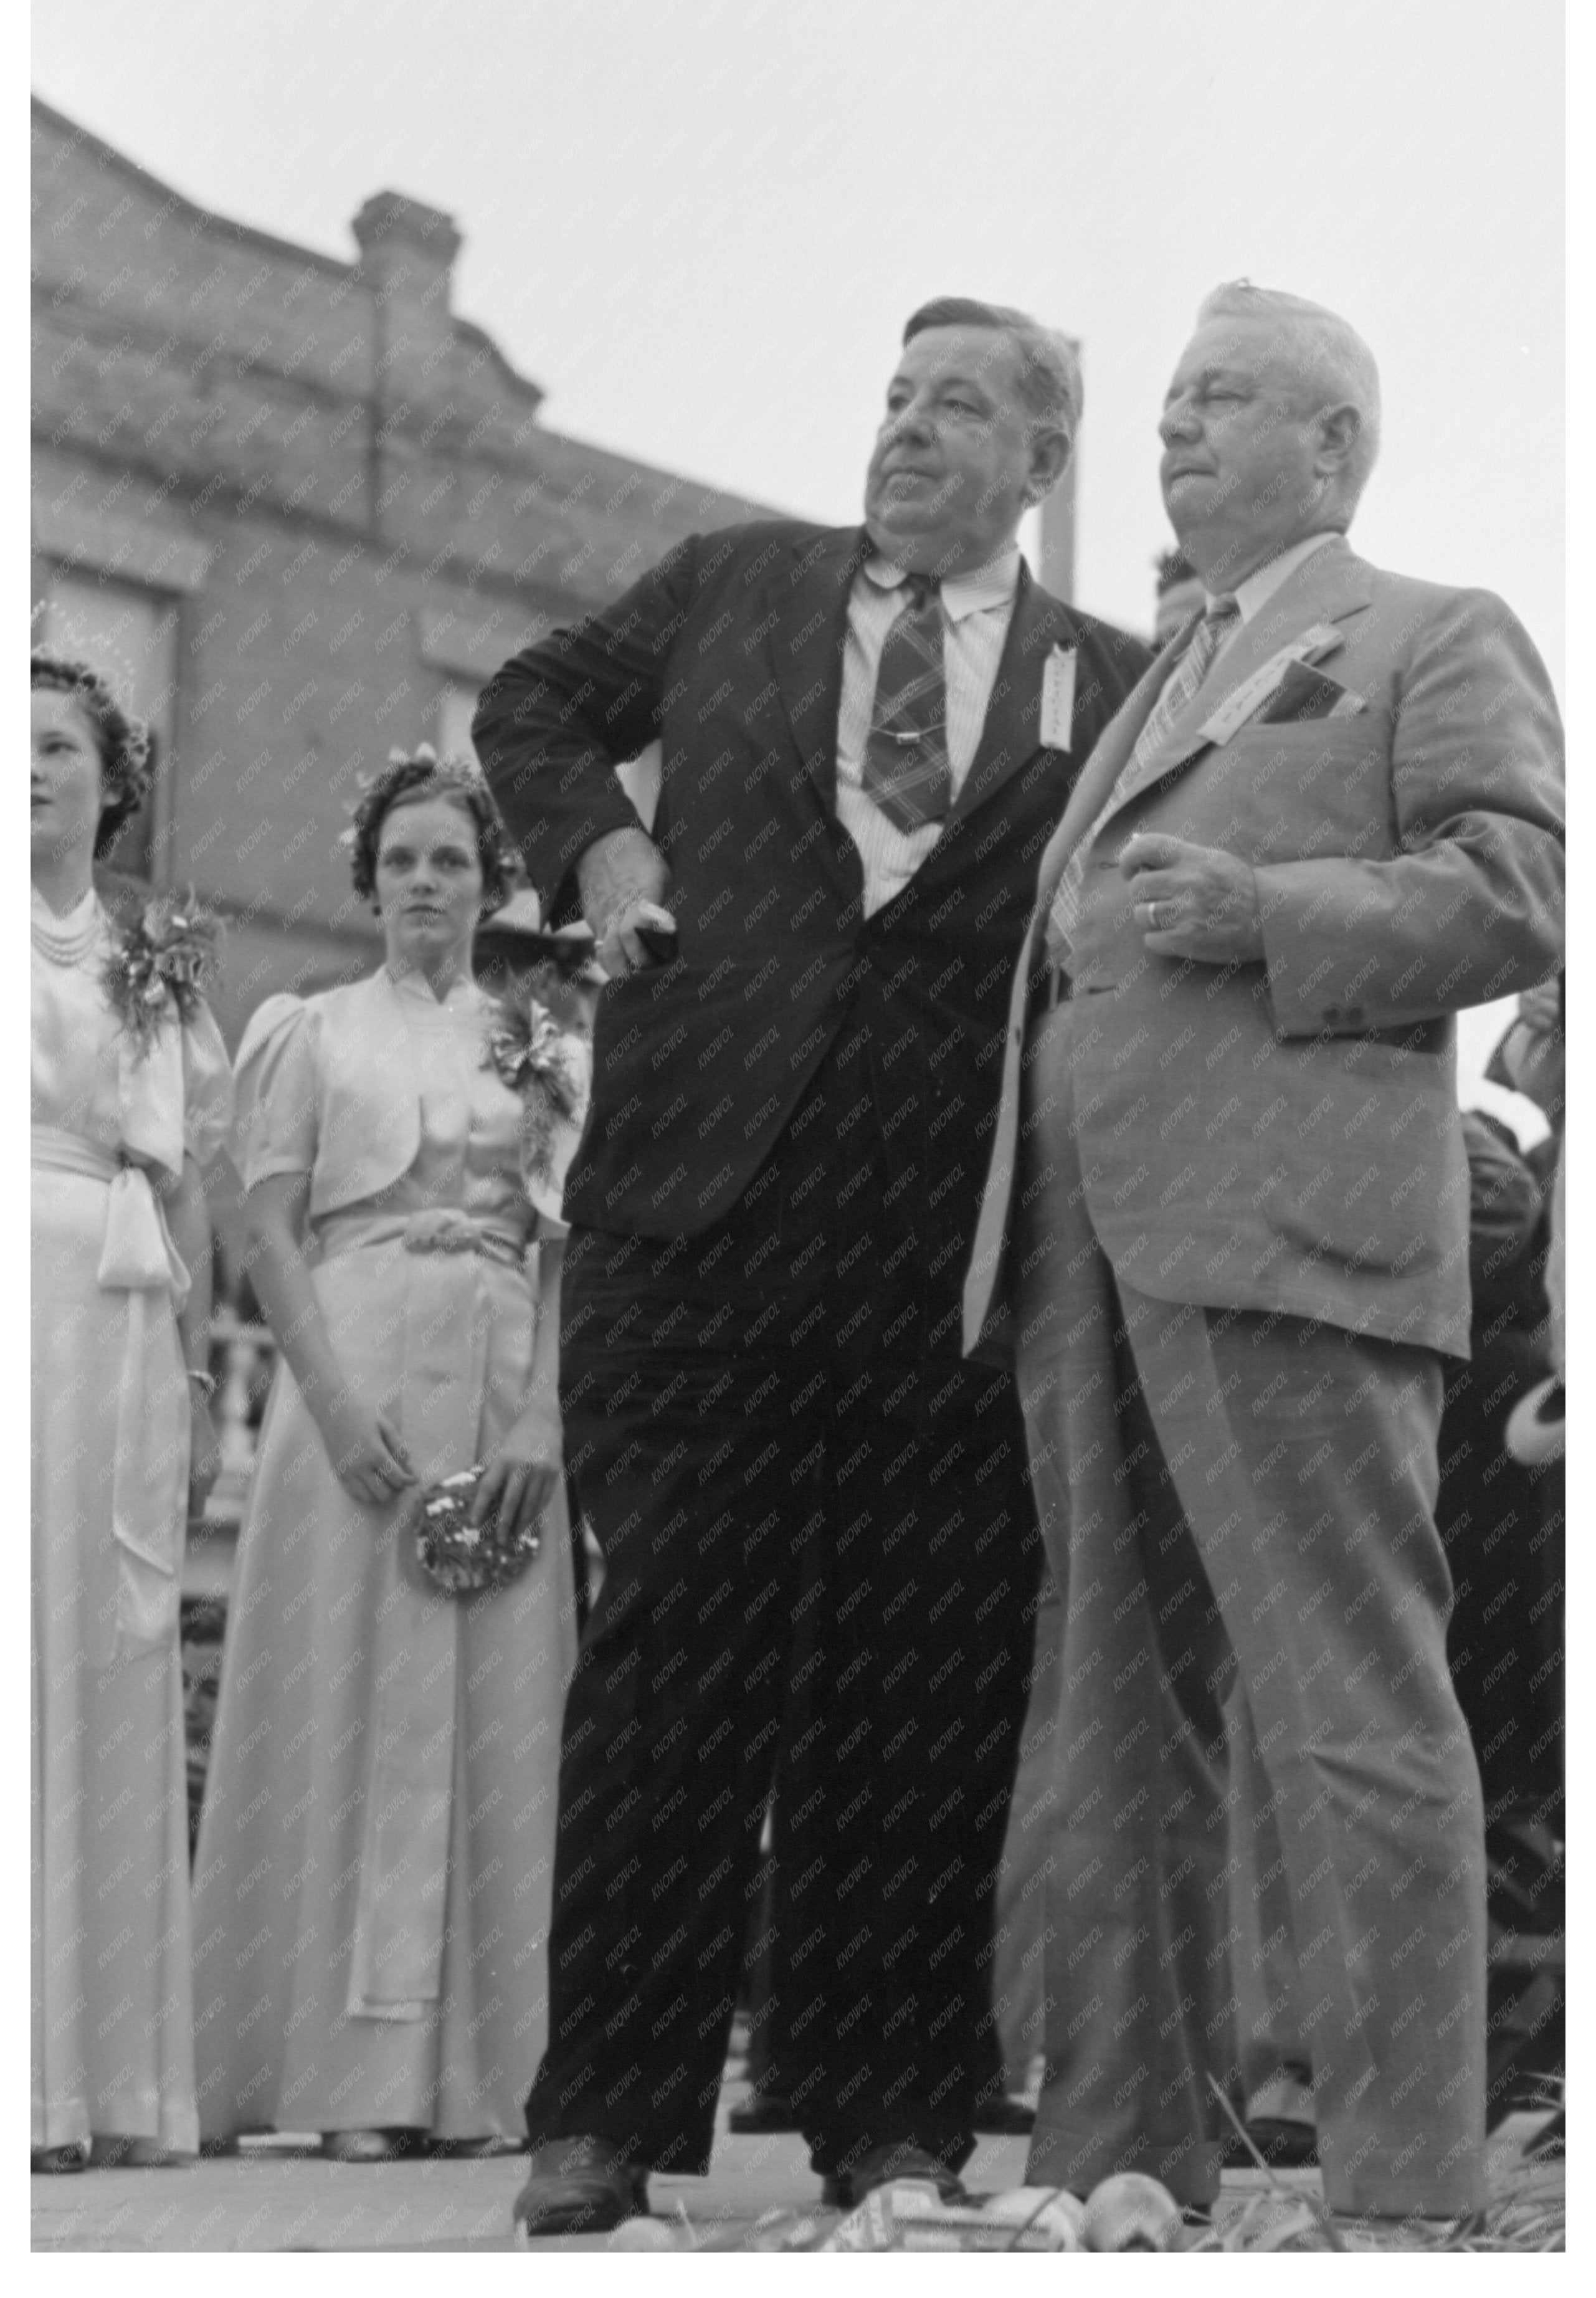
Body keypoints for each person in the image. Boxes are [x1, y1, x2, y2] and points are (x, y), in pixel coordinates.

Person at [475, 297, 1152, 2233]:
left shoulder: (1105, 682)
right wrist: (603, 855)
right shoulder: (731, 585)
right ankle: (602, 2115)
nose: (909, 429)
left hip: (943, 1261)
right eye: (896, 396)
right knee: (669, 1665)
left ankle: (889, 2118)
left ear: (1040, 461)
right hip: (689, 1220)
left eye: (960, 407)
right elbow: (529, 702)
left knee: (912, 1695)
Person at [964, 281, 1564, 2230]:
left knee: (1349, 1694)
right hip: (1089, 1247)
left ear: (1332, 446)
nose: (1173, 429)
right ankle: (1121, 2157)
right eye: (1167, 404)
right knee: (1112, 1707)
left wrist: (1268, 908)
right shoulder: (1169, 669)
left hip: (1294, 1234)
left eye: (1219, 399)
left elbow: (1518, 890)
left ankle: (1402, 2179)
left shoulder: (1429, 630)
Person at [190, 750, 579, 2161]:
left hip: (495, 1379)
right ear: (368, 882)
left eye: (450, 861)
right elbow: (267, 1230)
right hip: (353, 1377)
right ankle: (341, 2077)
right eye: (402, 860)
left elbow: (562, 1251)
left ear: (488, 886)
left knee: (495, 1705)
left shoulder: (540, 1048)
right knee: (342, 1694)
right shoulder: (309, 1032)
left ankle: (481, 2079)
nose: (425, 882)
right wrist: (336, 1407)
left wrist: (540, 1419)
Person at [31, 651, 233, 2171]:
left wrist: (198, 1370)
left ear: (113, 784)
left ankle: (87, 2078)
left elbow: (182, 1185)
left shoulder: (147, 962)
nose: (29, 764)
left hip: (108, 1321)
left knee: (98, 1649)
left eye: (57, 743)